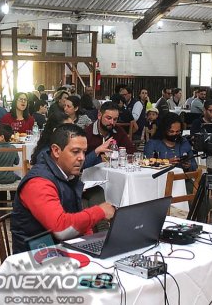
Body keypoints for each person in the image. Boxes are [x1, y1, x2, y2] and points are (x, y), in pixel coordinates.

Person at [11, 124, 116, 253]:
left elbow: (74, 215)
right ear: (56, 151)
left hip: (58, 247)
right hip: (35, 255)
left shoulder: (66, 175)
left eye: (84, 152)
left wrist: (88, 238)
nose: (82, 158)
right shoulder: (38, 182)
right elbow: (61, 229)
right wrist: (100, 211)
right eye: (75, 151)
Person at [84, 101, 136, 166]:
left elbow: (131, 151)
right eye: (108, 118)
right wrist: (99, 159)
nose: (112, 122)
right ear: (99, 115)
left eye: (115, 119)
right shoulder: (87, 132)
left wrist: (113, 156)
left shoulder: (118, 130)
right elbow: (82, 161)